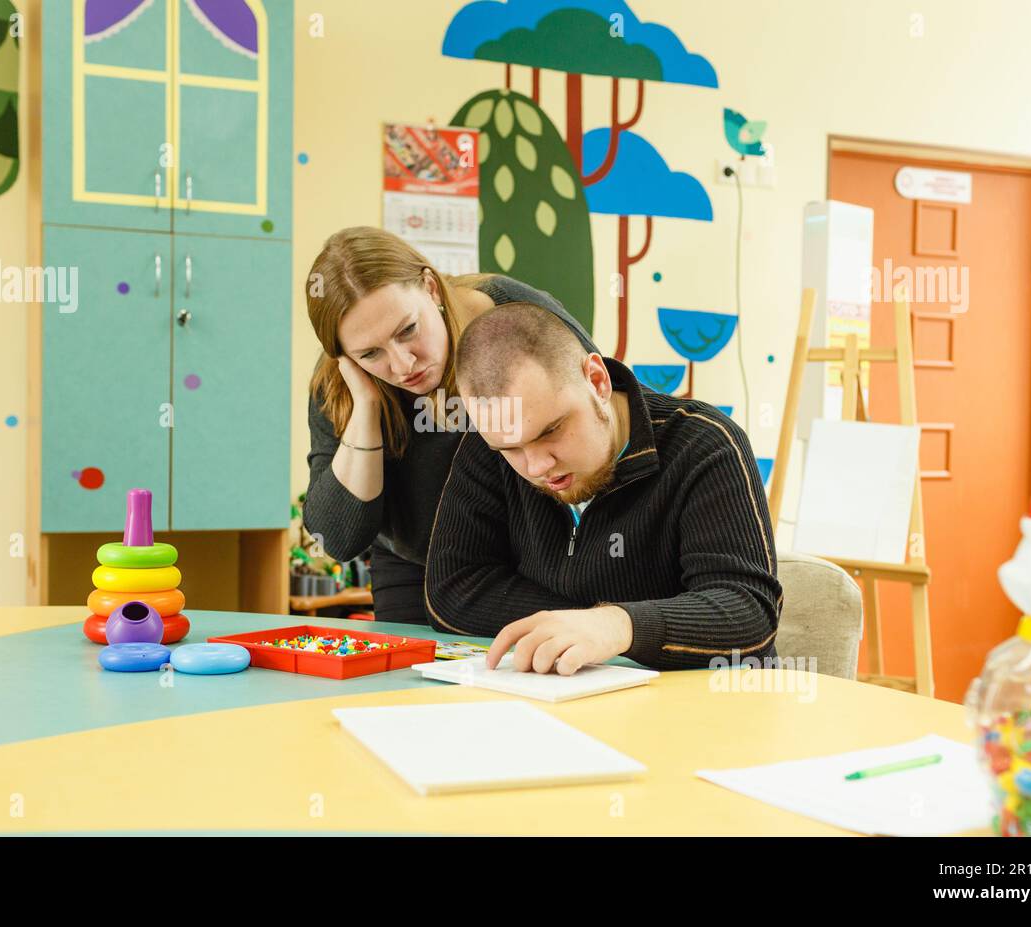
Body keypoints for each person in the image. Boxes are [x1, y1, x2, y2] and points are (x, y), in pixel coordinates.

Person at [424, 302, 782, 673]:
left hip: (702, 710)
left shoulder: (705, 444)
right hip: (564, 700)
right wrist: (579, 624)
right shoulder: (489, 448)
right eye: (510, 448)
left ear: (597, 381)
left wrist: (617, 626)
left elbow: (748, 613)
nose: (536, 466)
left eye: (551, 430)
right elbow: (452, 591)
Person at [302, 227, 597, 623]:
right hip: (415, 566)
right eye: (371, 353)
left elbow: (603, 418)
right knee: (410, 683)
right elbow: (338, 539)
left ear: (431, 289)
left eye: (408, 330)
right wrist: (366, 410)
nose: (403, 365)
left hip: (532, 558)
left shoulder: (515, 316)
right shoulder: (338, 384)